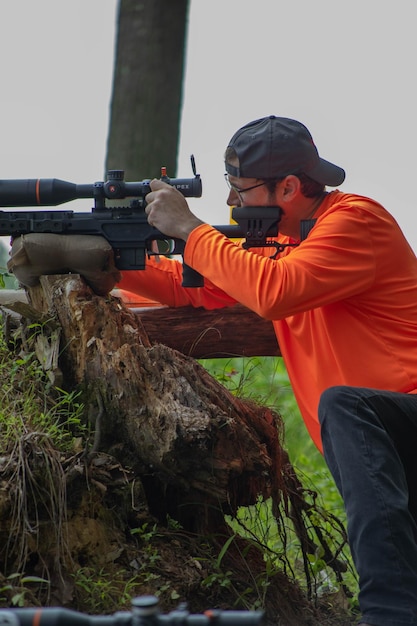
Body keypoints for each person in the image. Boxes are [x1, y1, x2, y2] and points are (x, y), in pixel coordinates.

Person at [8, 115, 417, 625]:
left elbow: (274, 291)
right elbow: (197, 285)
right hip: (382, 444)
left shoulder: (356, 222)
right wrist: (107, 256)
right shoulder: (287, 243)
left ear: (288, 186)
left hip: (397, 419)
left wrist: (189, 228)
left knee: (344, 404)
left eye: (239, 190)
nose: (231, 203)